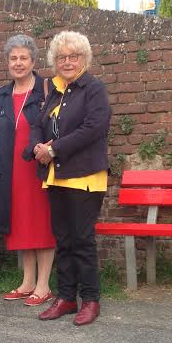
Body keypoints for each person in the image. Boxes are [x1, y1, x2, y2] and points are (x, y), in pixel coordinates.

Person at [31, 31, 110, 326]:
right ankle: (66, 297)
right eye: (61, 57)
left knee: (82, 240)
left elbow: (94, 128)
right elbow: (39, 125)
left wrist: (53, 148)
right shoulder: (54, 90)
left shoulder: (94, 89)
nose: (67, 62)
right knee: (63, 240)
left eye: (73, 56)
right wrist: (37, 147)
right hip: (56, 177)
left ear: (84, 59)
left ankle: (91, 299)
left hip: (85, 177)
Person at [0, 34, 56, 307]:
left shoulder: (46, 89)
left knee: (42, 224)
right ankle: (28, 281)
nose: (18, 63)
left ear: (33, 61)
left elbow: (56, 127)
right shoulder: (1, 94)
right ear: (7, 62)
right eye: (13, 58)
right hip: (10, 170)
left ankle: (44, 285)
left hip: (37, 169)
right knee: (21, 225)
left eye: (23, 58)